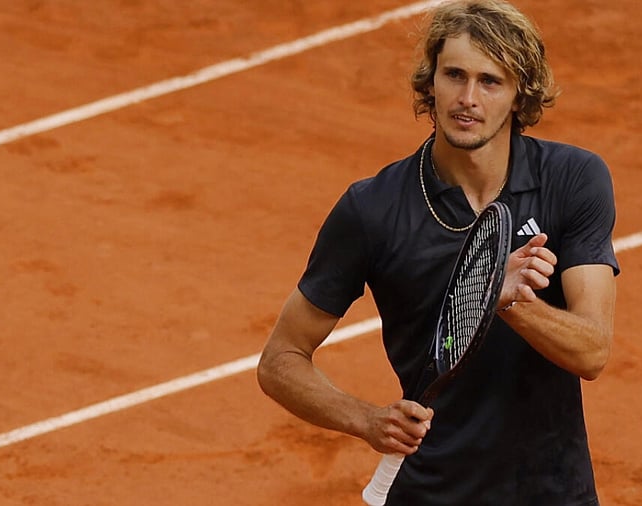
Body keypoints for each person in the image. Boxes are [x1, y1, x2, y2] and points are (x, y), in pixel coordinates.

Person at [257, 0, 619, 504]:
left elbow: (593, 350)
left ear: (520, 96)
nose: (467, 98)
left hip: (552, 491)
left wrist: (505, 298)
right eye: (454, 75)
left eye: (490, 81)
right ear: (431, 83)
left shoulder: (573, 180)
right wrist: (365, 419)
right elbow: (280, 360)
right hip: (433, 492)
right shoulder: (373, 210)